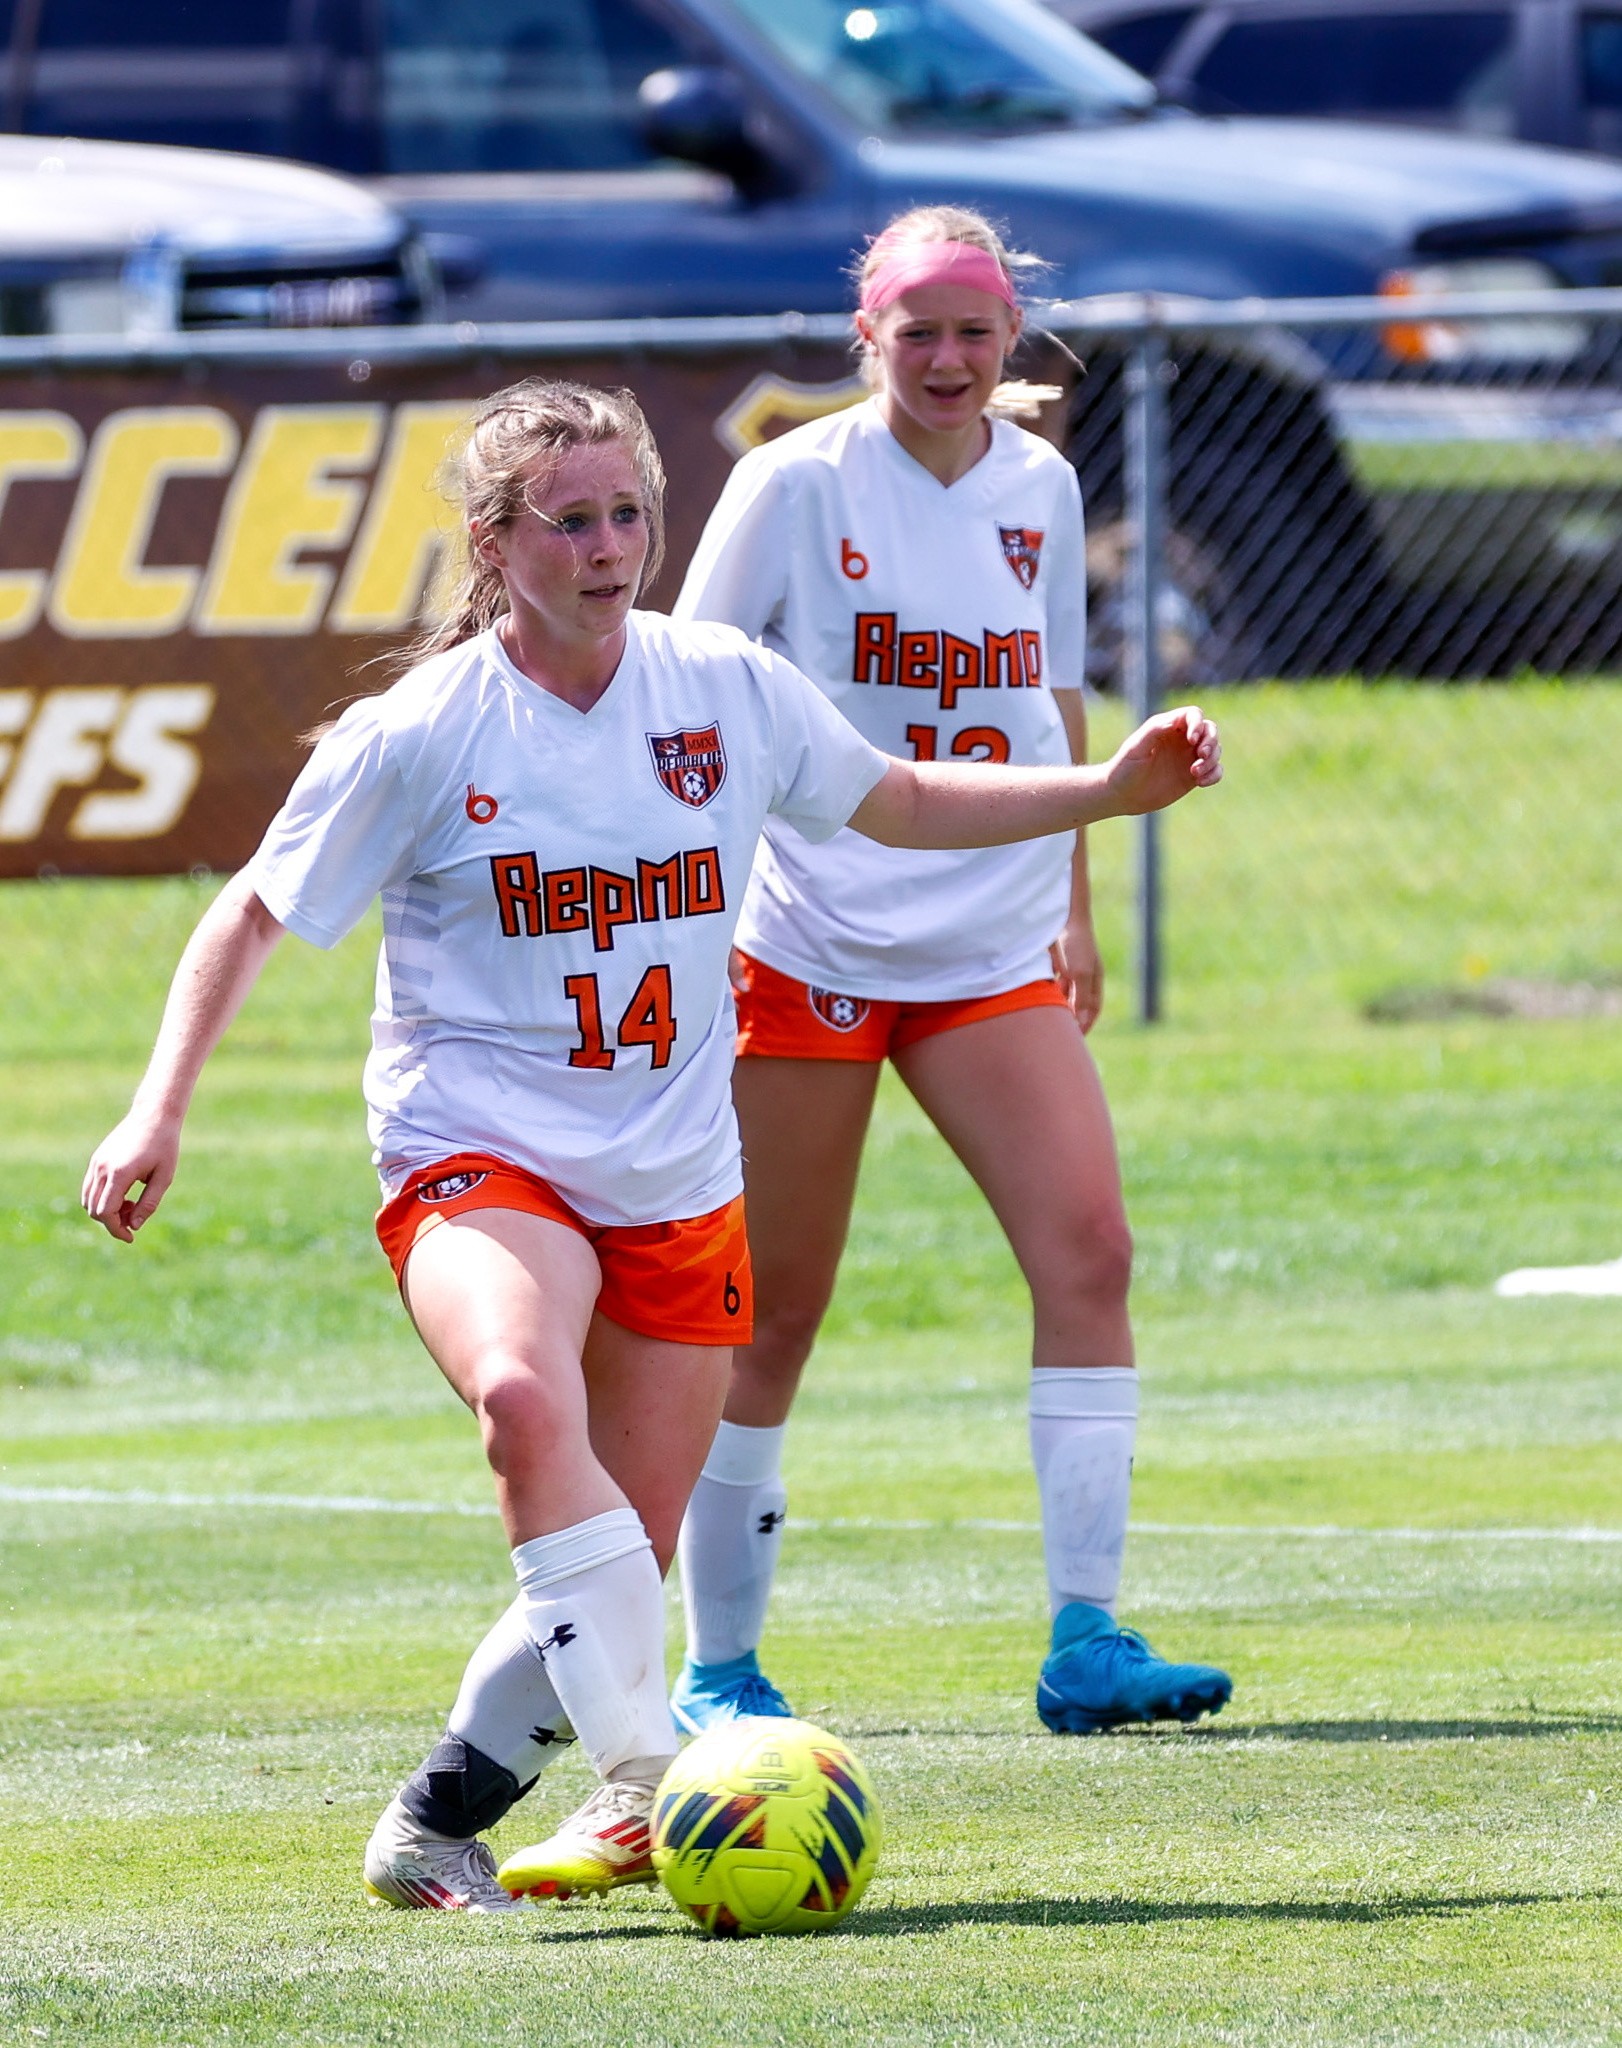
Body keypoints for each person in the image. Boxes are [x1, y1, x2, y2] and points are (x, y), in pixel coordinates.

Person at [81, 377, 1221, 1915]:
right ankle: (644, 1778)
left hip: (677, 1176)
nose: (610, 546)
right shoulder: (420, 732)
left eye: (629, 515)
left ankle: (431, 1825)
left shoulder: (722, 687)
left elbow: (895, 798)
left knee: (616, 1549)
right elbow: (252, 913)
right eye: (572, 521)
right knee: (519, 1396)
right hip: (480, 1150)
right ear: (496, 544)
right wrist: (157, 1105)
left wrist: (1108, 791)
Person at [669, 206, 1234, 1738]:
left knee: (1090, 1252)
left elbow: (1052, 705)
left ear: (1010, 340)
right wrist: (691, 913)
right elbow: (684, 696)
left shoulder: (1040, 484)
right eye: (916, 331)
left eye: (973, 332)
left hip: (989, 945)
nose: (946, 358)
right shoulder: (794, 483)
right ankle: (718, 1670)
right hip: (814, 942)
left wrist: (1075, 908)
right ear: (868, 336)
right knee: (772, 1312)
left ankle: (1087, 1638)